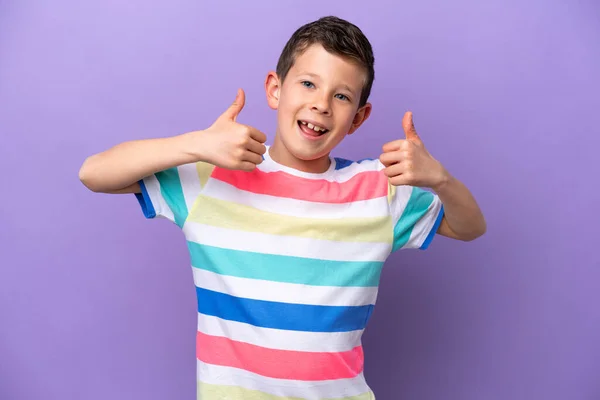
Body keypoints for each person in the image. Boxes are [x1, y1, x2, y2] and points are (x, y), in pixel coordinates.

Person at [79, 15, 485, 400]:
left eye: (340, 96)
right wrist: (195, 144)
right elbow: (95, 173)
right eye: (308, 83)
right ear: (275, 89)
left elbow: (469, 226)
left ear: (358, 118)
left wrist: (439, 179)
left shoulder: (379, 189)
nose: (321, 104)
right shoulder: (211, 178)